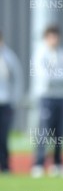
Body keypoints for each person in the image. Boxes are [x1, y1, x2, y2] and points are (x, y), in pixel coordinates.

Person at [30, 24, 63, 177]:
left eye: (56, 36)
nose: (54, 39)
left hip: (61, 98)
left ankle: (57, 163)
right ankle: (39, 163)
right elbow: (45, 77)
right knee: (44, 130)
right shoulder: (40, 54)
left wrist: (57, 79)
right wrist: (61, 78)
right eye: (51, 36)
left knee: (59, 132)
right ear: (46, 38)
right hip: (46, 97)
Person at [0, 30, 24, 173]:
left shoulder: (9, 57)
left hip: (6, 102)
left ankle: (5, 166)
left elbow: (17, 79)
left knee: (3, 136)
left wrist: (15, 99)